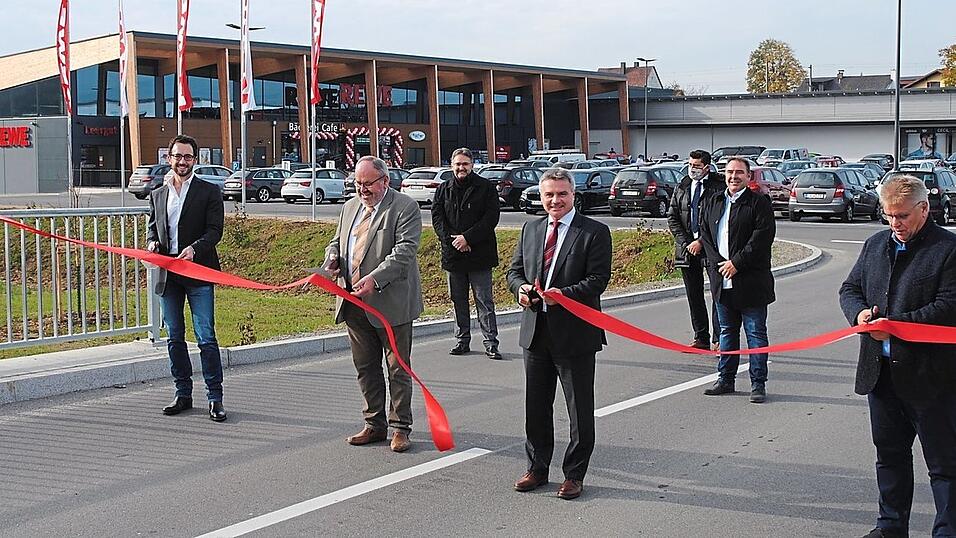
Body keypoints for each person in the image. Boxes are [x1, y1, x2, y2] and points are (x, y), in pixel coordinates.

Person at [839, 175, 956, 538]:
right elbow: (850, 288)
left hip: (932, 378)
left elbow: (948, 307)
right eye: (889, 216)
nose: (895, 224)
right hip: (881, 375)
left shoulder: (948, 249)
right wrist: (859, 315)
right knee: (889, 457)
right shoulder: (876, 245)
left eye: (902, 216)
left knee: (945, 464)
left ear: (924, 209)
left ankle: (947, 530)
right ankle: (890, 526)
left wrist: (893, 326)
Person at [506, 168, 612, 500]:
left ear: (573, 195)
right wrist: (521, 288)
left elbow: (598, 280)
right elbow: (513, 271)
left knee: (579, 410)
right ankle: (537, 468)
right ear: (541, 196)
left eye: (562, 194)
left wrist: (562, 294)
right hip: (536, 333)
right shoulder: (531, 228)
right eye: (549, 194)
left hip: (575, 335)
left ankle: (574, 475)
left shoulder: (594, 232)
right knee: (536, 408)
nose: (555, 200)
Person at [325, 155, 424, 453]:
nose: (362, 190)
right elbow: (336, 241)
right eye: (357, 183)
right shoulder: (349, 207)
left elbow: (405, 251)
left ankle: (400, 428)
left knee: (397, 368)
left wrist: (376, 278)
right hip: (354, 301)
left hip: (391, 303)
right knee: (365, 367)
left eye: (368, 184)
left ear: (385, 181)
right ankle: (374, 424)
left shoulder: (405, 207)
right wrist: (331, 259)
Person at [146, 134, 227, 422]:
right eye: (177, 156)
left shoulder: (208, 192)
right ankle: (183, 393)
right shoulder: (158, 192)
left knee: (205, 336)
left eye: (188, 157)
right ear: (169, 158)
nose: (182, 161)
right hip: (170, 276)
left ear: (196, 159)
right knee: (174, 337)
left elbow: (215, 231)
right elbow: (154, 228)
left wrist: (194, 249)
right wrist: (153, 244)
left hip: (198, 273)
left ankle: (215, 398)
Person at [698, 157, 776, 403]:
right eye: (730, 172)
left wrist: (736, 264)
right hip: (722, 280)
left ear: (748, 176)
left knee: (755, 334)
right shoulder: (713, 200)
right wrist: (719, 266)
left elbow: (762, 238)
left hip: (751, 281)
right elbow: (705, 236)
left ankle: (758, 383)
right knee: (727, 333)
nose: (734, 177)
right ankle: (725, 379)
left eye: (739, 172)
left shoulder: (759, 203)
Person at [431, 147, 502, 360]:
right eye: (458, 164)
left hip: (480, 254)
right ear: (451, 165)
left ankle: (491, 343)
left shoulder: (486, 188)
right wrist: (453, 242)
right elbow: (437, 218)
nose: (461, 168)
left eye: (465, 164)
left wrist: (468, 239)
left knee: (484, 300)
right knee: (458, 300)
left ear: (472, 165)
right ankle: (462, 340)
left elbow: (491, 218)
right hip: (453, 255)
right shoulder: (443, 189)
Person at [667, 149, 724, 350]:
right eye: (690, 165)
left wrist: (702, 240)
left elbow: (721, 217)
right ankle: (701, 337)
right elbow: (672, 217)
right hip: (687, 250)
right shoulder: (682, 186)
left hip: (712, 248)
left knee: (718, 294)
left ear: (707, 167)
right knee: (694, 294)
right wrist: (685, 242)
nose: (693, 169)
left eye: (697, 166)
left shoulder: (718, 187)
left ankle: (720, 339)